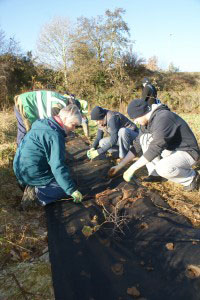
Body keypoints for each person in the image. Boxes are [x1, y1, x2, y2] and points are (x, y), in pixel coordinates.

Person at [109, 99, 200, 191]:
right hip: (171, 150)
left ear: (141, 113)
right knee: (144, 138)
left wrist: (133, 167)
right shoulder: (146, 123)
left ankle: (191, 178)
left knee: (163, 168)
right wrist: (120, 165)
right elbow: (137, 145)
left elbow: (156, 147)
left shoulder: (163, 117)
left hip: (188, 152)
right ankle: (155, 174)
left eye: (135, 118)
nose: (135, 121)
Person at [13, 105, 83, 208]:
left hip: (20, 170)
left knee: (65, 178)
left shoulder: (43, 123)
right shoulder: (54, 136)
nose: (73, 129)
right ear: (64, 119)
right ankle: (37, 195)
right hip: (32, 173)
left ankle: (25, 184)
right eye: (73, 125)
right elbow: (58, 166)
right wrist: (71, 190)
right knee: (68, 185)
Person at [14, 90, 89, 146]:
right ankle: (22, 154)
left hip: (27, 102)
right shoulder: (59, 105)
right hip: (26, 104)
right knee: (26, 133)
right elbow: (52, 127)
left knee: (30, 133)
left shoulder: (63, 100)